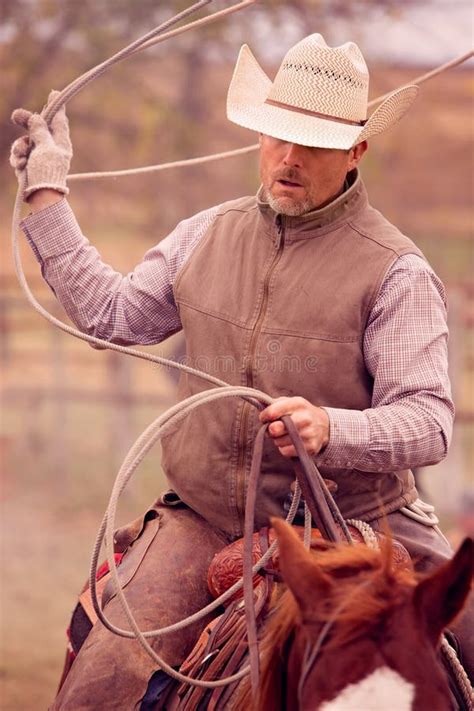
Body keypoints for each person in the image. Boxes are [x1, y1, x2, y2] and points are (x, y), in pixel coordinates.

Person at [10, 33, 473, 708]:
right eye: (276, 134)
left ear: (356, 151)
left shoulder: (395, 271)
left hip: (355, 526)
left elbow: (429, 421)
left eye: (312, 142)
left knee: (465, 644)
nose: (288, 157)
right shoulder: (205, 234)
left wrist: (330, 428)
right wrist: (48, 195)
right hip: (206, 518)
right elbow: (112, 315)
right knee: (107, 670)